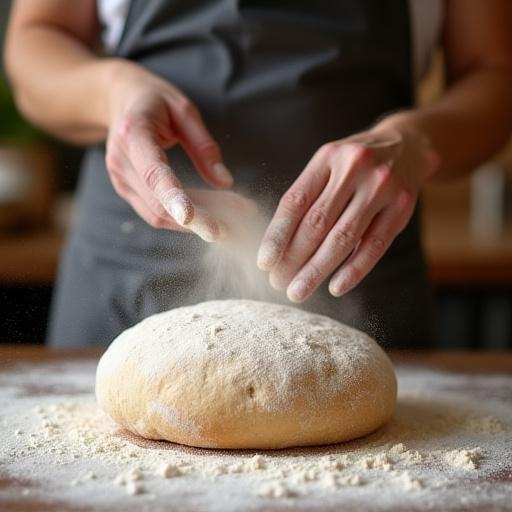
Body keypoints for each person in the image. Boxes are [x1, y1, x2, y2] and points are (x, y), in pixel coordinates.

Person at [5, 0, 512, 348]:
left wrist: (415, 142)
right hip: (129, 274)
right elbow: (35, 41)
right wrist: (113, 93)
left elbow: (495, 73)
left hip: (357, 281)